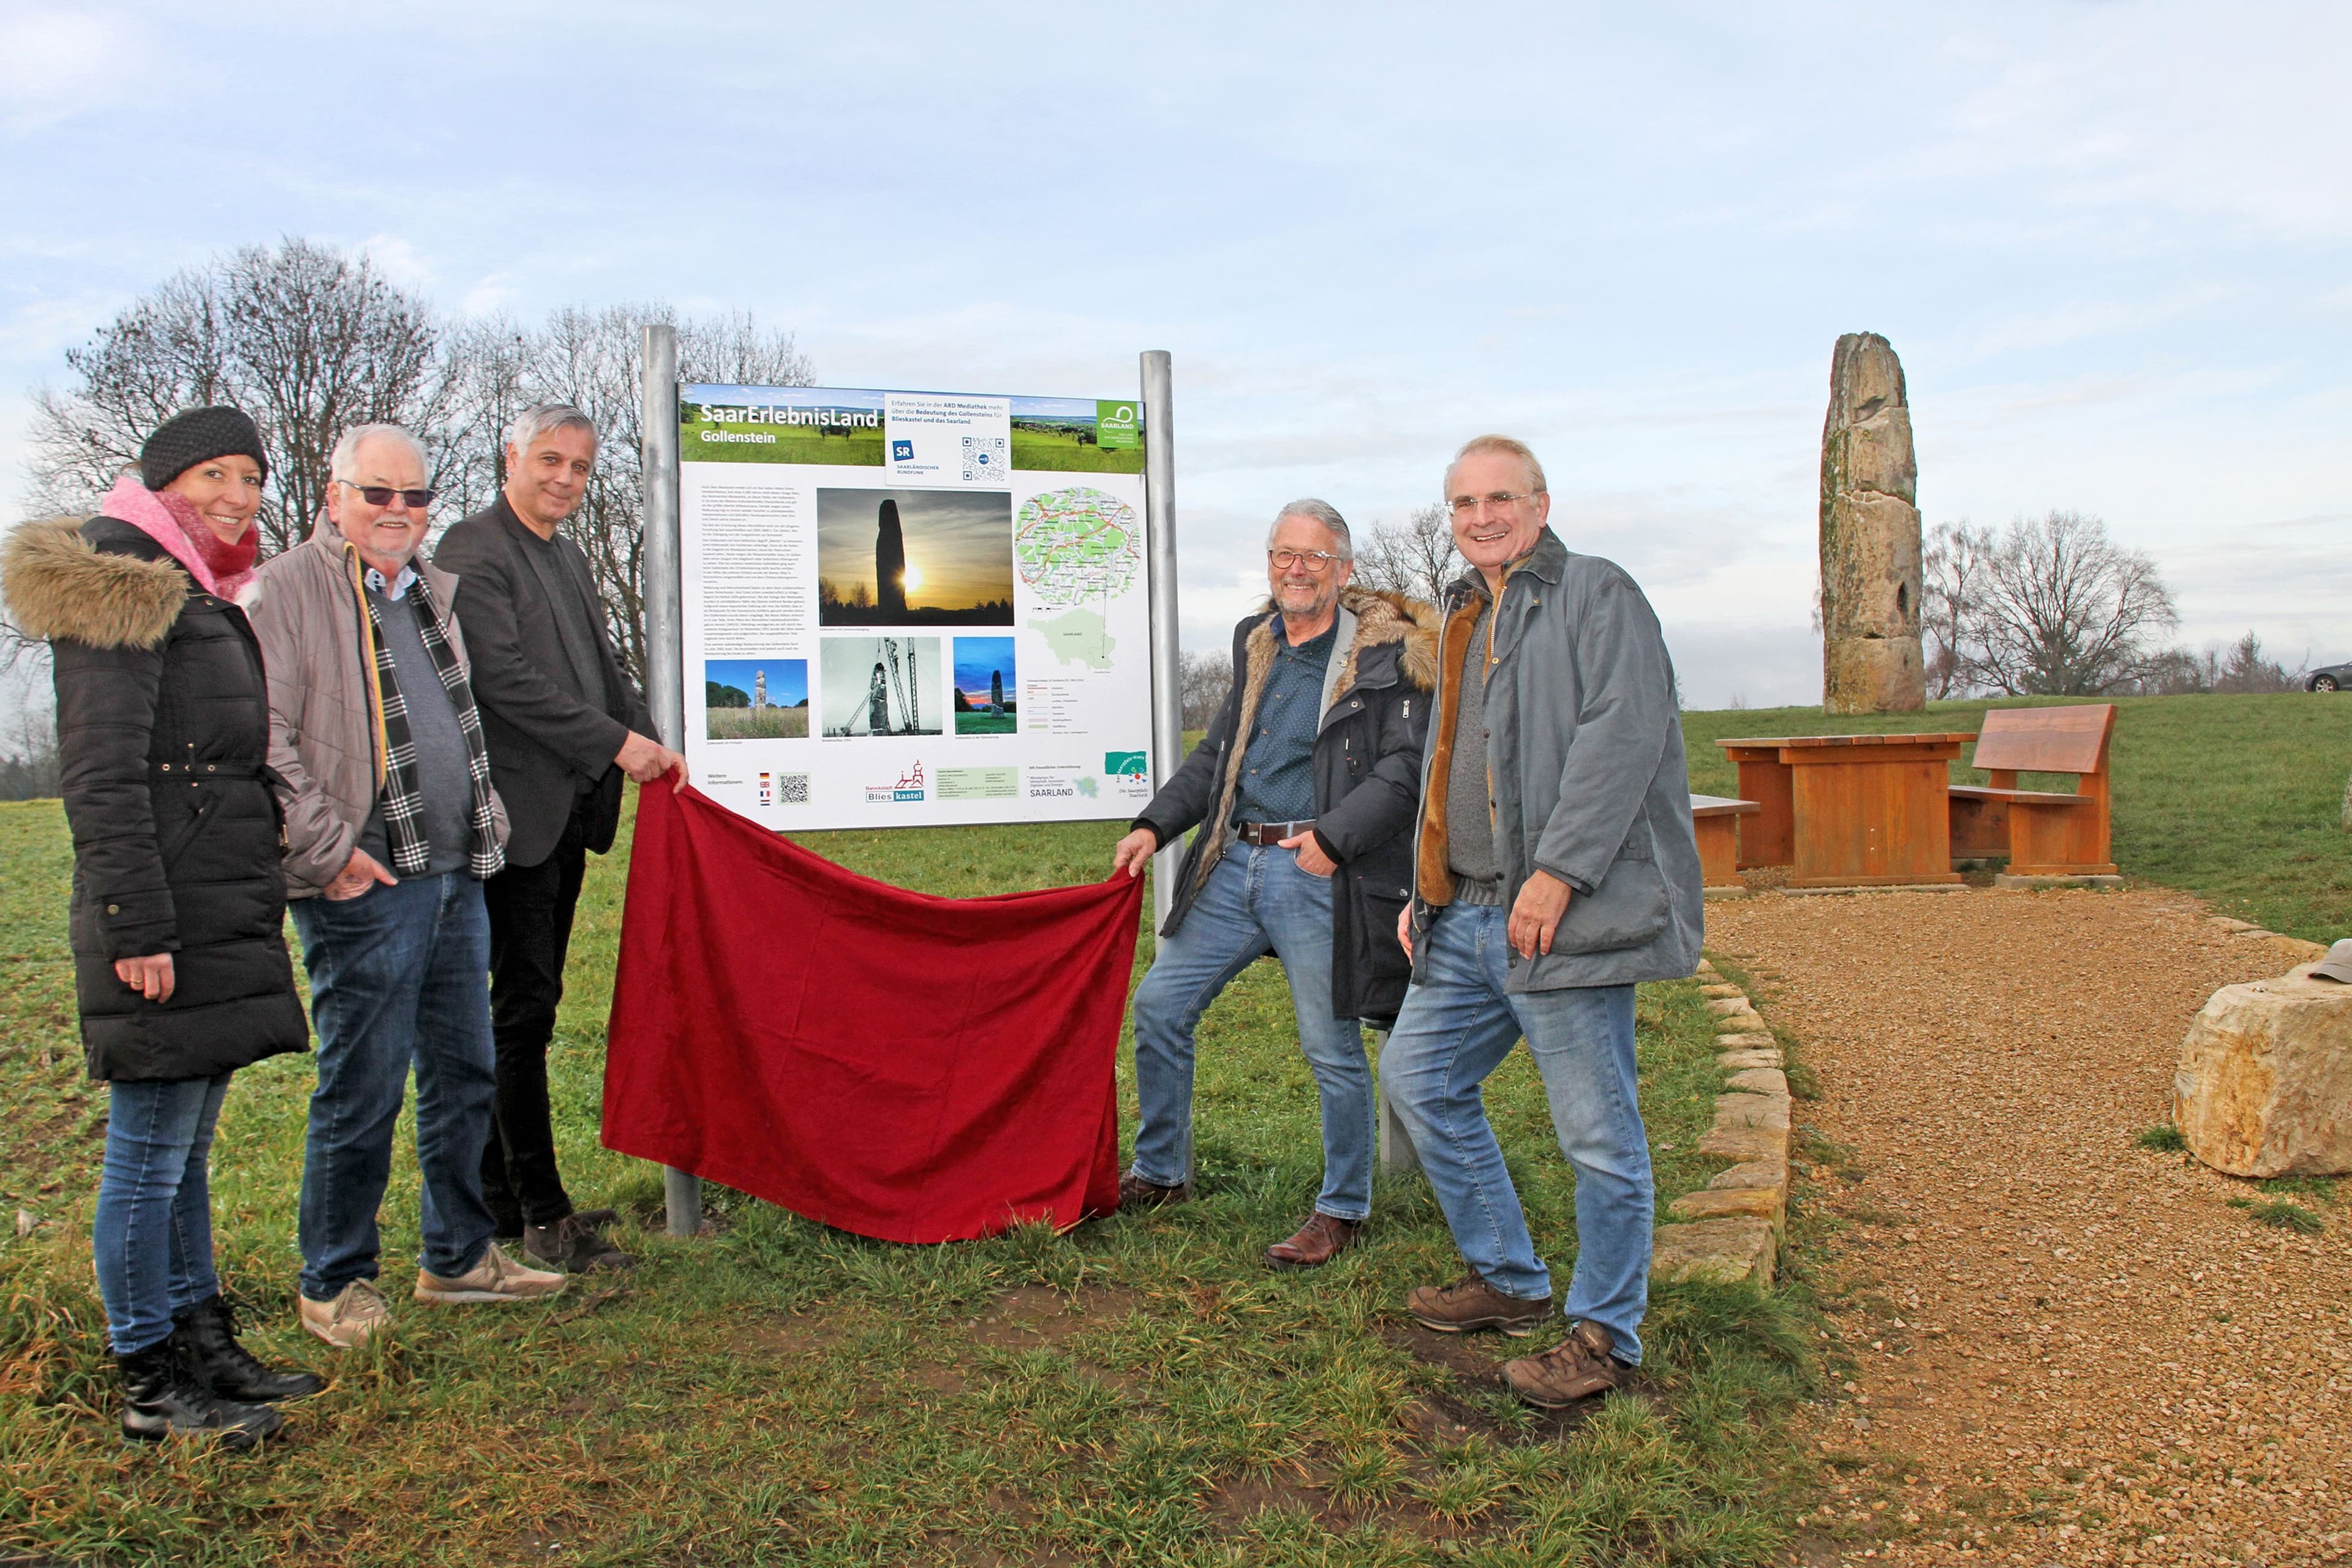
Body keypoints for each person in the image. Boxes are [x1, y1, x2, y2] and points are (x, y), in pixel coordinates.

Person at [2, 407, 318, 1447]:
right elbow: (100, 777)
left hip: (213, 908)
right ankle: (152, 1380)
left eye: (251, 477)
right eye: (212, 476)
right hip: (162, 917)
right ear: (162, 482)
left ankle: (203, 1342)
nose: (236, 496)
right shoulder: (124, 586)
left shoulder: (197, 587)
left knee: (184, 1153)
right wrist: (136, 925)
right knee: (146, 1156)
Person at [1379, 434, 1703, 1408]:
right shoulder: (1465, 613)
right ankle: (1511, 1281)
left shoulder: (1598, 594)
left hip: (1553, 921)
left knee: (1599, 1136)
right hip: (1468, 917)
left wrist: (1559, 872)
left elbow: (1626, 733)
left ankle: (1605, 1335)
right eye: (1464, 503)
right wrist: (1423, 883)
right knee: (1418, 1077)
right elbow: (1449, 762)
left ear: (1542, 504)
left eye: (1500, 499)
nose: (1482, 516)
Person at [246, 422, 565, 1350]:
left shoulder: (428, 590)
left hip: (453, 867)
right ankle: (332, 1280)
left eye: (415, 497)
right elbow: (263, 737)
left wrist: (488, 820)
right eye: (377, 493)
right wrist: (327, 848)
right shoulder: (287, 590)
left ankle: (458, 1255)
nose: (397, 512)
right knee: (365, 1084)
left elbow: (457, 721)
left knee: (464, 1070)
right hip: (364, 875)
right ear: (334, 492)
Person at [1110, 500, 1434, 1267]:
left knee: (1329, 1047)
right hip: (1234, 863)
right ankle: (1161, 1172)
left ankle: (1342, 1207)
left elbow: (1404, 770)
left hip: (1313, 869)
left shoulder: (1384, 657)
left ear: (1345, 570)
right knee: (1159, 1007)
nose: (1297, 568)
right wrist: (1156, 824)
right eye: (1284, 554)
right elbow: (1217, 756)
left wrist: (1331, 838)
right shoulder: (1258, 645)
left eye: (1315, 557)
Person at [434, 404, 685, 1273]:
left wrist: (650, 737)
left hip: (567, 820)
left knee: (528, 1006)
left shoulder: (565, 551)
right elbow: (502, 680)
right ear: (510, 457)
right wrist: (619, 745)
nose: (565, 480)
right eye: (550, 461)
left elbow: (603, 669)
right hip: (513, 819)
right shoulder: (474, 549)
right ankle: (541, 1211)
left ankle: (507, 1200)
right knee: (519, 1011)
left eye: (579, 467)